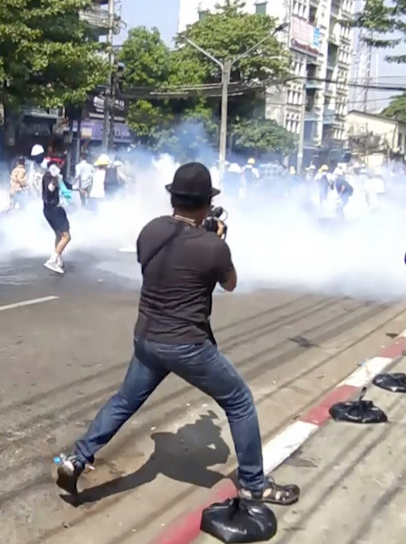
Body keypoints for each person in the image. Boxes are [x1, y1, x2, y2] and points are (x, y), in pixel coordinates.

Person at [54, 162, 300, 513]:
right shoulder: (212, 246)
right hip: (186, 344)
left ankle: (77, 460)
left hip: (147, 337)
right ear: (204, 204)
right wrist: (216, 240)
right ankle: (254, 485)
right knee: (240, 401)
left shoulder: (151, 231)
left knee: (124, 401)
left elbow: (155, 267)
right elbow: (229, 284)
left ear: (174, 199)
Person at [42, 161, 73, 274]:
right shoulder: (50, 179)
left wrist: (77, 188)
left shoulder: (50, 177)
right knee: (66, 237)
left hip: (49, 210)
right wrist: (55, 180)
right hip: (54, 210)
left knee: (59, 235)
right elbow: (50, 190)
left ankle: (58, 259)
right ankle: (52, 260)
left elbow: (66, 185)